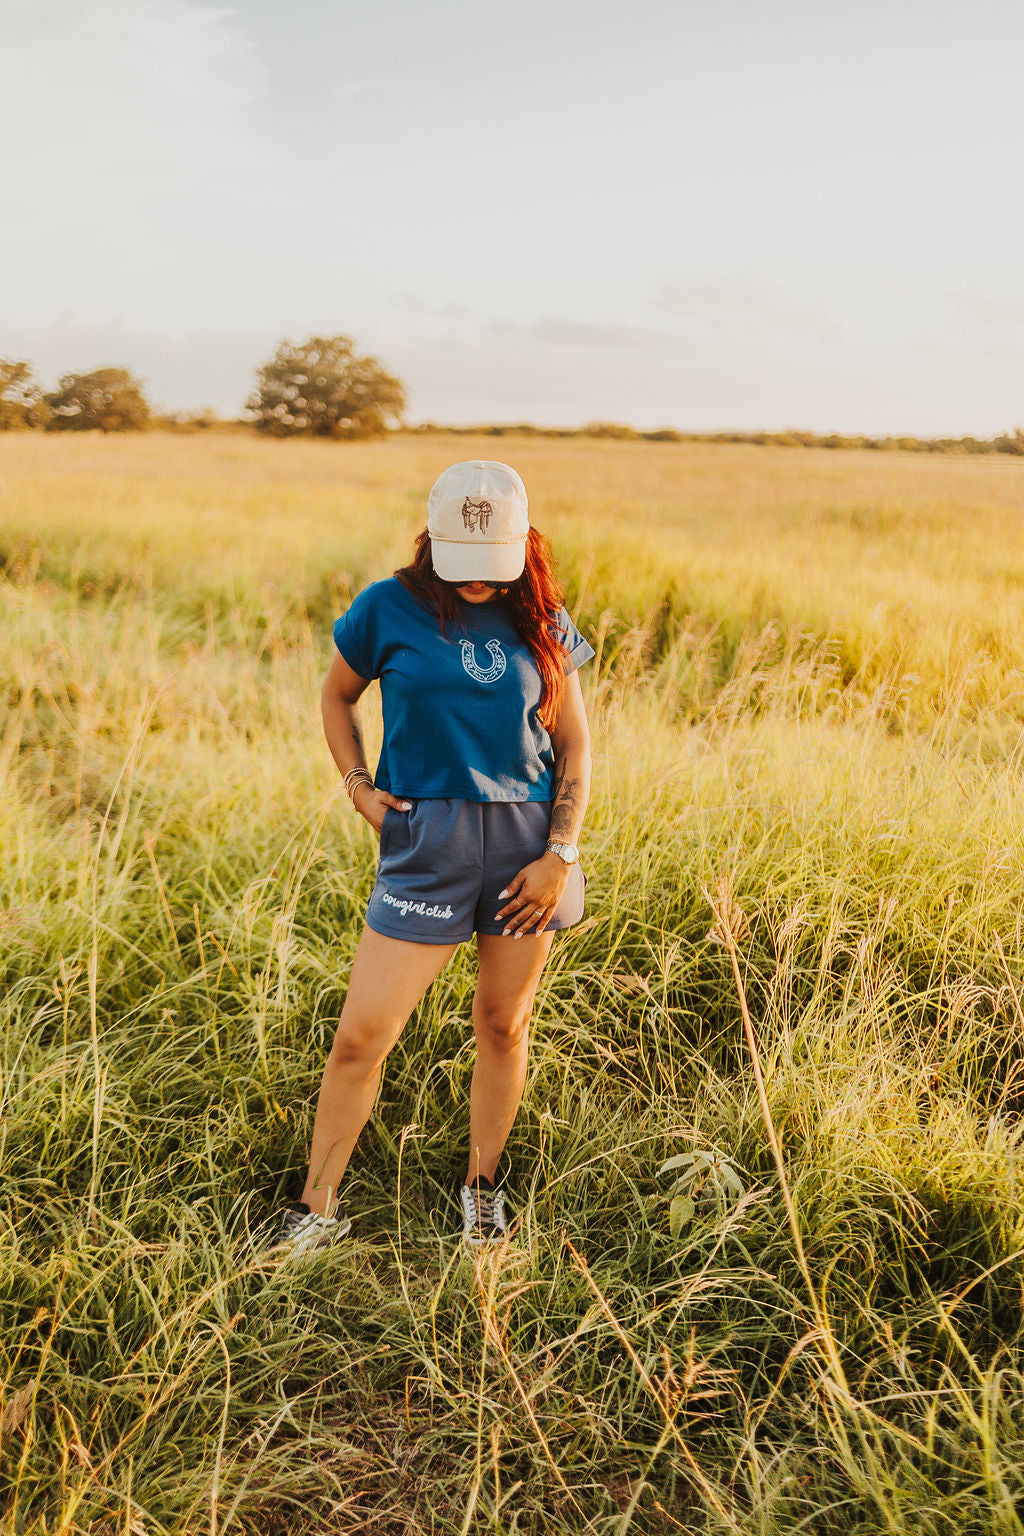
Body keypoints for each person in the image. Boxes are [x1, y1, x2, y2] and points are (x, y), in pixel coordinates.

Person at [261, 459, 595, 1255]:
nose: (478, 583)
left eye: (494, 566)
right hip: (426, 846)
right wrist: (358, 787)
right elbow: (336, 695)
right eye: (462, 565)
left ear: (524, 544)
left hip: (528, 849)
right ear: (432, 539)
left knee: (503, 1026)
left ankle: (482, 1189)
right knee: (360, 1038)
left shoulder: (545, 619)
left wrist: (560, 852)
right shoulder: (387, 607)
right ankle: (317, 1209)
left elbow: (575, 741)